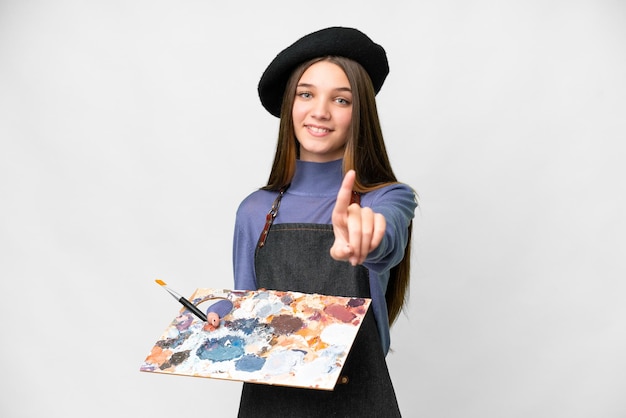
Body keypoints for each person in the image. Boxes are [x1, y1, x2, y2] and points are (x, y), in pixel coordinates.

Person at [232, 26, 417, 417]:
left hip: (358, 402)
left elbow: (386, 236)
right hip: (270, 404)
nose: (320, 111)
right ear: (290, 105)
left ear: (359, 113)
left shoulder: (385, 199)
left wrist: (367, 241)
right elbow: (246, 318)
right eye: (306, 94)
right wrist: (217, 315)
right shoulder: (254, 210)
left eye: (341, 99)